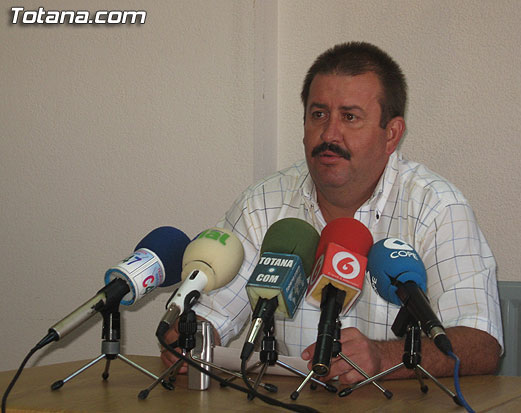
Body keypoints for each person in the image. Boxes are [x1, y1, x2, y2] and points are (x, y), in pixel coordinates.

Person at [161, 41, 503, 384]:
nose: (329, 134)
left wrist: (385, 357)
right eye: (318, 114)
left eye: (350, 117)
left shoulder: (437, 208)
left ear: (392, 134)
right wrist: (192, 339)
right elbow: (211, 316)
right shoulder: (263, 204)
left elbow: (482, 344)